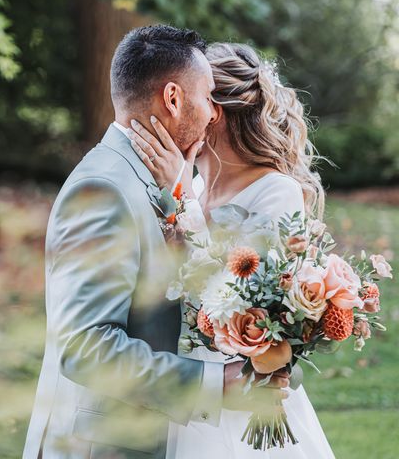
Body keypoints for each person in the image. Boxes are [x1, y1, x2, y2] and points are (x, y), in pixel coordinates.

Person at [23, 27, 290, 459]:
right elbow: (85, 346)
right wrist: (214, 384)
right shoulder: (104, 187)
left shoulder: (142, 178)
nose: (211, 114)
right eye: (207, 98)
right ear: (172, 99)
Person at [127, 42, 334, 458]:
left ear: (212, 110)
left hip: (244, 394)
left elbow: (237, 299)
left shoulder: (277, 191)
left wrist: (177, 195)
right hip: (196, 388)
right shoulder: (198, 184)